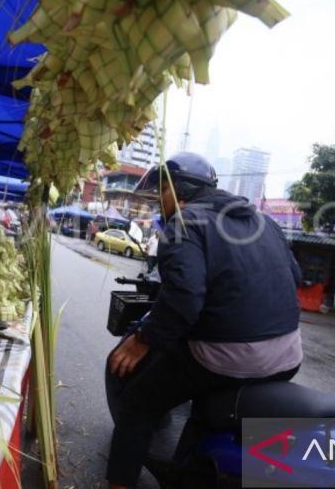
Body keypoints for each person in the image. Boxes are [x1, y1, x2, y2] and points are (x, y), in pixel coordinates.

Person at [106, 152, 303, 489]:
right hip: (288, 357)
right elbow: (294, 276)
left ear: (173, 192)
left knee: (137, 404)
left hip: (226, 359)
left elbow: (183, 297)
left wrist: (142, 341)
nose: (157, 203)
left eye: (159, 195)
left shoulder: (184, 222)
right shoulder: (263, 222)